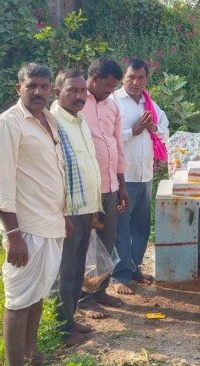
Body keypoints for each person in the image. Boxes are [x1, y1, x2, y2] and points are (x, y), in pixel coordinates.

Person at [0, 63, 71, 366]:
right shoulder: (7, 125)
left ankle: (31, 354)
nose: (38, 91)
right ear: (18, 88)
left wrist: (64, 215)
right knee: (19, 301)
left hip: (51, 224)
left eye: (44, 86)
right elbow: (1, 187)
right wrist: (13, 235)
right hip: (25, 229)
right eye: (31, 85)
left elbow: (53, 172)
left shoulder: (50, 120)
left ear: (51, 90)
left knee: (38, 296)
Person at [51, 68, 103, 346]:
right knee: (65, 270)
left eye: (83, 90)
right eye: (73, 90)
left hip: (85, 207)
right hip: (67, 210)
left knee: (77, 267)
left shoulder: (80, 120)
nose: (80, 96)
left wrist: (94, 207)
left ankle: (70, 318)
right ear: (58, 93)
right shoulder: (53, 122)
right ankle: (61, 327)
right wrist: (62, 211)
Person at [110, 58, 169, 294]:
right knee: (121, 226)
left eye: (141, 78)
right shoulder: (114, 102)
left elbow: (165, 132)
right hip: (123, 175)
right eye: (131, 77)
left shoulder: (150, 103)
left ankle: (134, 268)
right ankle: (120, 275)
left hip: (145, 174)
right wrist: (133, 130)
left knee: (142, 226)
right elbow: (108, 138)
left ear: (147, 79)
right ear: (123, 77)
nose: (136, 82)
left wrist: (152, 127)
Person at [79, 57, 128, 319]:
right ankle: (83, 299)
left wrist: (122, 184)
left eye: (113, 88)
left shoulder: (112, 107)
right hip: (86, 189)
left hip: (110, 185)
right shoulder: (75, 102)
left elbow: (116, 144)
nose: (110, 92)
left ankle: (100, 291)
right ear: (94, 78)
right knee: (86, 243)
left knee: (107, 241)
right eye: (107, 86)